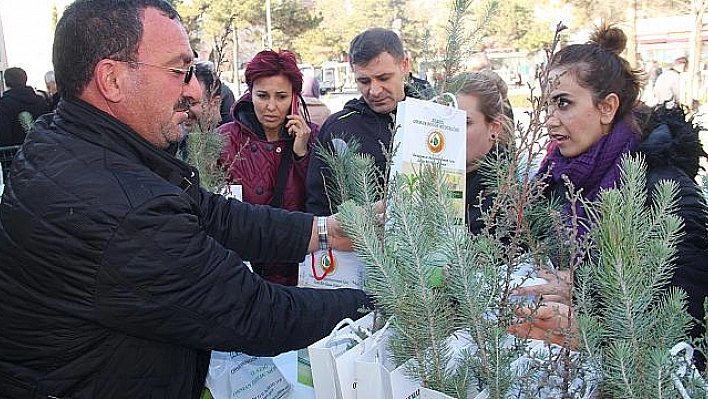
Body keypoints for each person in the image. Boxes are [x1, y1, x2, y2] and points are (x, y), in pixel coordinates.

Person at [0, 1, 371, 397]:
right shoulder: (120, 206)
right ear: (112, 79)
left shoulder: (74, 142)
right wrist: (380, 303)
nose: (193, 91)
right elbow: (252, 313)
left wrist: (324, 231)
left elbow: (213, 214)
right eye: (180, 70)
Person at [514, 25, 708, 350]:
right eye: (546, 105)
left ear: (607, 107)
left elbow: (683, 317)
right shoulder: (559, 176)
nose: (548, 120)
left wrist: (588, 305)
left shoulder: (663, 190)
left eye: (563, 103)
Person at [218, 49, 318, 286]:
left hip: (298, 270)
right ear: (249, 93)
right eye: (262, 96)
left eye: (281, 97)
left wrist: (302, 154)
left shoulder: (313, 136)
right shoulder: (223, 139)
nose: (271, 106)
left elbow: (320, 201)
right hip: (242, 274)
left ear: (294, 97)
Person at [306, 27, 423, 216]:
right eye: (364, 81)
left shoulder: (435, 118)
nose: (375, 90)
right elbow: (319, 207)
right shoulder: (338, 129)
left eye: (383, 78)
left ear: (405, 65)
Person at [448, 71, 513, 234]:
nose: (451, 132)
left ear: (494, 128)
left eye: (465, 122)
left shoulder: (506, 195)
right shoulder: (432, 173)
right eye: (446, 121)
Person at [169, 60, 223, 162]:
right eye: (181, 103)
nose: (184, 112)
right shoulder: (173, 143)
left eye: (192, 103)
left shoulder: (232, 147)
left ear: (214, 103)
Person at [0, 67, 51, 146]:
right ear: (25, 79)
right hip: (43, 151)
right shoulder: (40, 101)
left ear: (6, 82)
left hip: (15, 154)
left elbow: (4, 135)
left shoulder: (4, 104)